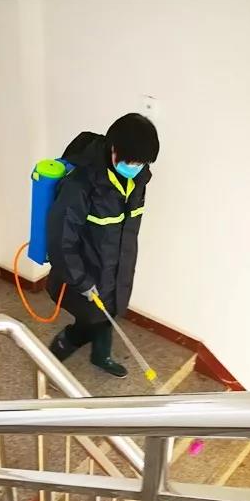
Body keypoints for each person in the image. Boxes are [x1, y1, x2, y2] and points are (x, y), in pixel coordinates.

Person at [47, 113, 159, 378]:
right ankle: (60, 349)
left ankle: (101, 355)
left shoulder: (138, 181)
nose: (135, 167)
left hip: (117, 269)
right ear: (113, 149)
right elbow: (61, 240)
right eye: (131, 161)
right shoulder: (81, 184)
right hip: (86, 272)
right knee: (91, 316)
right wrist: (81, 280)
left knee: (109, 312)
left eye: (141, 163)